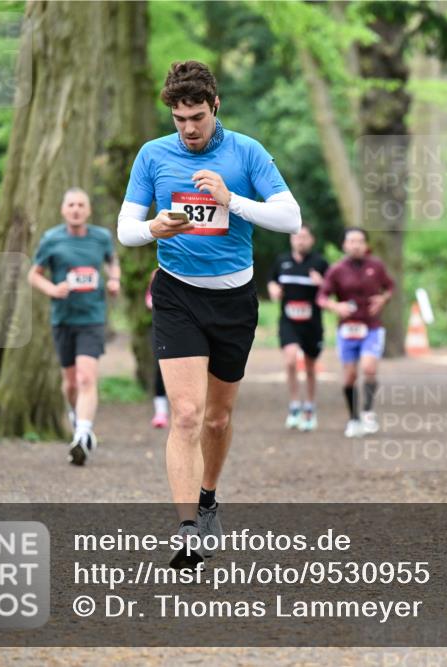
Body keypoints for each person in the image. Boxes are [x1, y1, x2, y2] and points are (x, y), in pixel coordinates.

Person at [117, 61, 301, 568]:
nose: (189, 129)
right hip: (177, 294)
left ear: (215, 106)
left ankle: (208, 499)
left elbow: (291, 217)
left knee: (217, 420)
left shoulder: (247, 152)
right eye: (179, 119)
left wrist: (232, 200)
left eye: (197, 117)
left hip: (234, 301)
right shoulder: (153, 155)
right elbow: (126, 229)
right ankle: (187, 530)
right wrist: (154, 228)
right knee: (186, 414)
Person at [28, 187, 120, 465]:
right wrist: (52, 289)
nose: (76, 209)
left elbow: (112, 262)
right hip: (64, 318)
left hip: (92, 317)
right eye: (71, 205)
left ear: (88, 210)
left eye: (81, 205)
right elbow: (34, 275)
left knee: (86, 378)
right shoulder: (51, 239)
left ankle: (82, 435)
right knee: (70, 384)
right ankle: (76, 416)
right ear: (63, 210)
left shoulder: (101, 237)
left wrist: (114, 280)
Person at [317, 227, 395, 438]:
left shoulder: (376, 266)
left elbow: (390, 287)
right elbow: (322, 297)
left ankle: (368, 413)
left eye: (360, 241)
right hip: (347, 329)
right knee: (350, 376)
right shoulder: (337, 270)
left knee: (369, 369)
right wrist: (335, 306)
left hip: (371, 327)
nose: (356, 245)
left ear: (366, 244)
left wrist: (383, 299)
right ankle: (354, 419)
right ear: (344, 245)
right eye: (351, 241)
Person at [268, 226, 329, 431]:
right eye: (296, 237)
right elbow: (272, 281)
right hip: (289, 321)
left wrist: (321, 283)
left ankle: (309, 406)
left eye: (304, 237)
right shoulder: (282, 261)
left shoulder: (320, 263)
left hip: (312, 323)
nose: (300, 240)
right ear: (291, 240)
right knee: (291, 359)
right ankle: (294, 405)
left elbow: (331, 290)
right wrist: (273, 289)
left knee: (310, 367)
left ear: (312, 240)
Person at [145, 268, 169, 428]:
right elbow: (150, 301)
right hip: (162, 332)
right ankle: (161, 411)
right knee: (159, 369)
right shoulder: (156, 276)